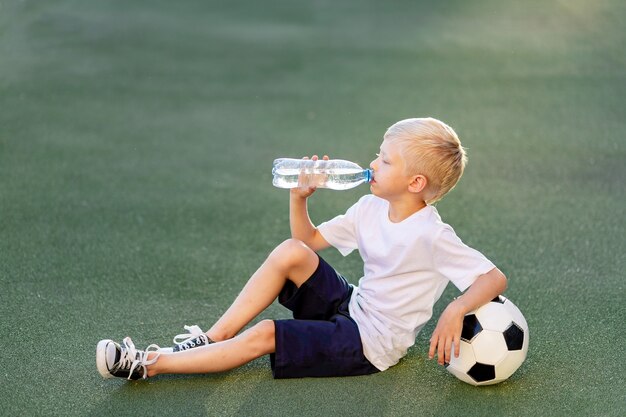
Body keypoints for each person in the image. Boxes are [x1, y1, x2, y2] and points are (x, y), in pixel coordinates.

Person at [96, 117, 507, 381]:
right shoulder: (369, 207)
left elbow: (493, 278)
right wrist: (300, 198)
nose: (373, 164)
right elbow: (307, 242)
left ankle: (149, 364)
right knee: (291, 253)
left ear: (415, 183)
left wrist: (455, 309)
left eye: (384, 161)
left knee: (266, 334)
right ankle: (212, 337)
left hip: (370, 343)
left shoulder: (431, 235)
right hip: (353, 304)